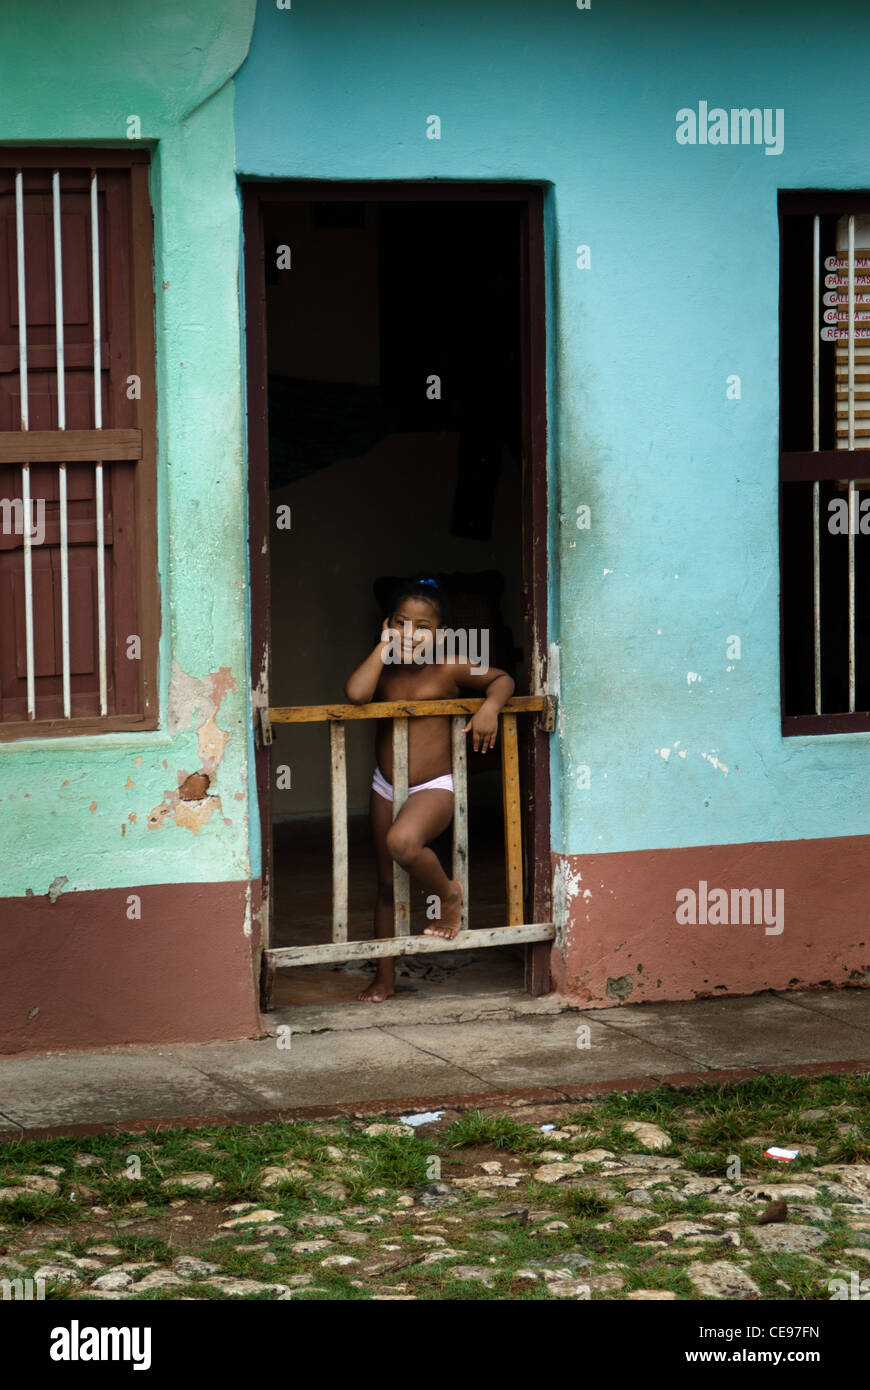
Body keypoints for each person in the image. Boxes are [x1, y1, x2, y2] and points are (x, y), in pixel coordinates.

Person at [344, 575, 515, 1001]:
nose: (410, 633)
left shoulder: (452, 666)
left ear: (439, 633)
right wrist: (382, 650)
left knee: (402, 842)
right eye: (401, 623)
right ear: (388, 625)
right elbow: (356, 694)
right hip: (386, 785)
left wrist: (491, 708)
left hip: (435, 785)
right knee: (386, 887)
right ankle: (384, 977)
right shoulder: (382, 670)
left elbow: (502, 679)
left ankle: (448, 894)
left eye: (422, 626)